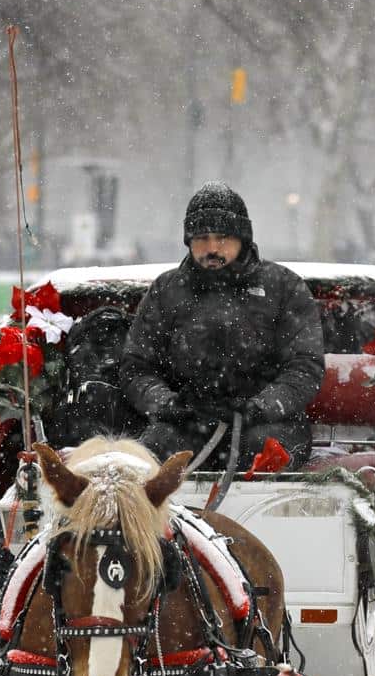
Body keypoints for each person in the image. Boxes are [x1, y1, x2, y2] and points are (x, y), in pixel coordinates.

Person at [122, 182, 324, 469]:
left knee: (263, 453)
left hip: (272, 425)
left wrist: (259, 407)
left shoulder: (284, 286)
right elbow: (136, 367)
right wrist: (168, 404)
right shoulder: (166, 290)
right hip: (184, 424)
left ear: (243, 239)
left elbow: (305, 368)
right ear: (189, 241)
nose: (212, 248)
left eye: (223, 237)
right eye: (202, 238)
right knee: (149, 458)